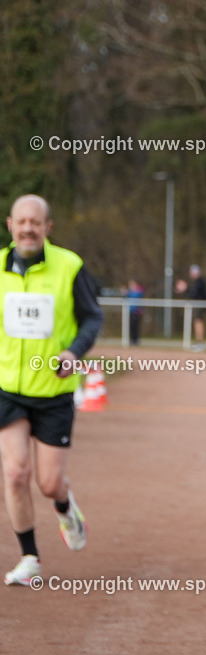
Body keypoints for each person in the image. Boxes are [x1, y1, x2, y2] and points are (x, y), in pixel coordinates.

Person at [1, 195, 103, 586]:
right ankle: (29, 557)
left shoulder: (70, 266)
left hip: (54, 391)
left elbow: (93, 316)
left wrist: (74, 352)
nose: (28, 228)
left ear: (48, 227)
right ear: (10, 225)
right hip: (7, 388)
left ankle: (65, 506)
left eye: (36, 222)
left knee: (47, 483)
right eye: (21, 221)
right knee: (14, 474)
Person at [126, 279, 144, 345]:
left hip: (136, 312)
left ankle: (136, 340)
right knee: (131, 326)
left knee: (136, 326)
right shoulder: (130, 292)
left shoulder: (138, 291)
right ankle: (132, 339)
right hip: (130, 311)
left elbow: (139, 294)